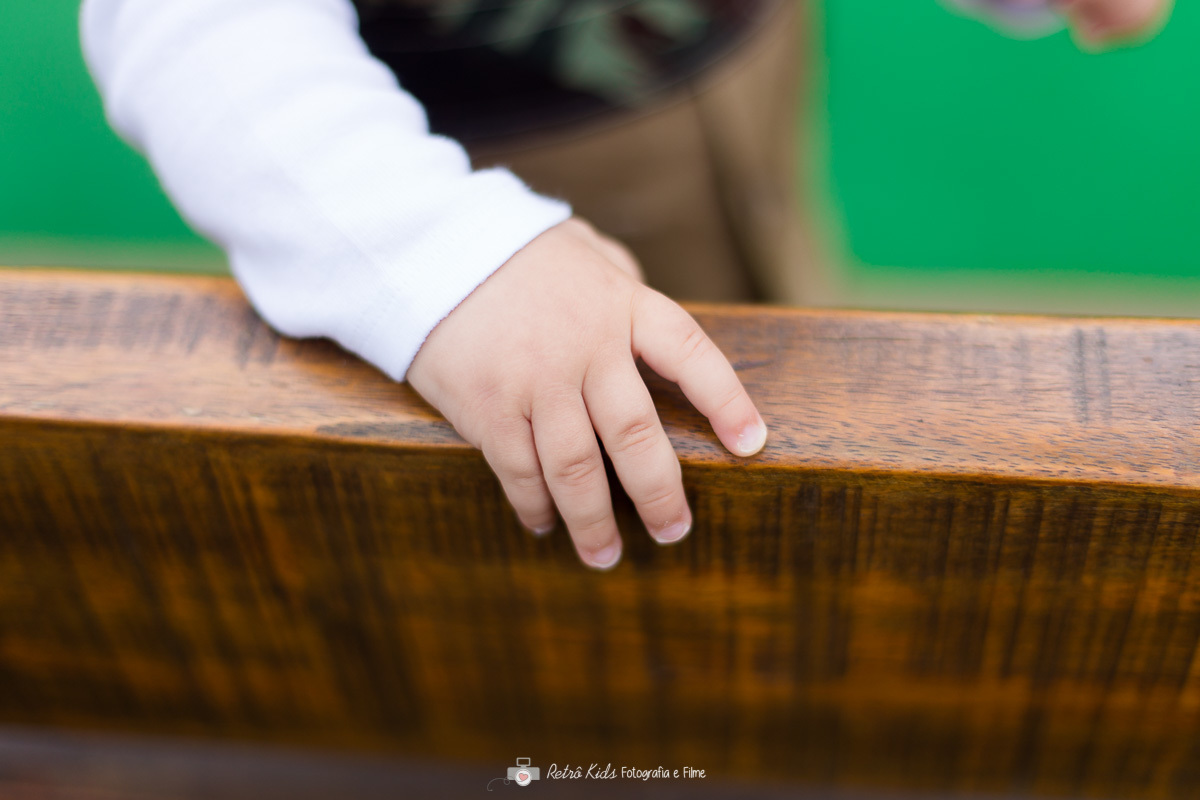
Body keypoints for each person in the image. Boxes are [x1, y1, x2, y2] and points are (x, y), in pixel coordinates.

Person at [80, 0, 1172, 570]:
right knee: (592, 469)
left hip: (733, 88)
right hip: (498, 197)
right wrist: (446, 255)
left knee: (764, 308)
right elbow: (191, 23)